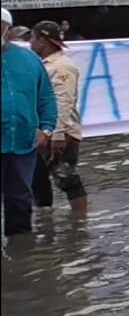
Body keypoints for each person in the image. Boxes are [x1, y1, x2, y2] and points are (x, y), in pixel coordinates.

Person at [1, 8, 58, 237]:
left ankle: (22, 256)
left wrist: (46, 129)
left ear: (8, 29)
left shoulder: (29, 60)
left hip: (22, 143)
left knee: (20, 201)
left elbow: (46, 98)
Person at [28, 22, 88, 213]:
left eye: (32, 38)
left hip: (59, 132)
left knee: (67, 178)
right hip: (44, 131)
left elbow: (63, 102)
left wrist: (58, 134)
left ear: (42, 41)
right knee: (39, 179)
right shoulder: (44, 64)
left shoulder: (61, 67)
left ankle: (80, 221)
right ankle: (47, 219)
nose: (30, 43)